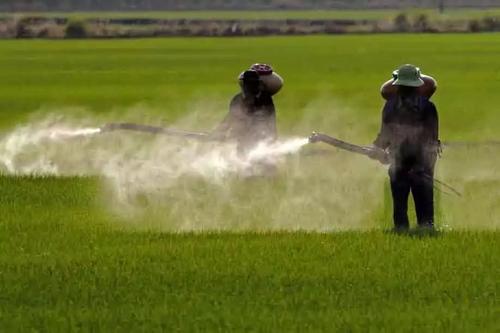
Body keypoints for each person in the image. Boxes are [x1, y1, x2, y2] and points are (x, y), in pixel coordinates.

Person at [371, 64, 440, 231]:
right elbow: (385, 133)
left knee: (417, 196)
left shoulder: (425, 108)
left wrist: (420, 164)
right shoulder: (392, 107)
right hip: (400, 159)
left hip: (420, 161)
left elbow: (430, 139)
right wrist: (377, 149)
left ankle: (423, 228)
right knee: (402, 198)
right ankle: (406, 228)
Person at [212, 64, 282, 152]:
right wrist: (219, 131)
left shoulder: (265, 99)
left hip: (263, 142)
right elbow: (230, 118)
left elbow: (266, 122)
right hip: (243, 143)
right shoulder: (237, 100)